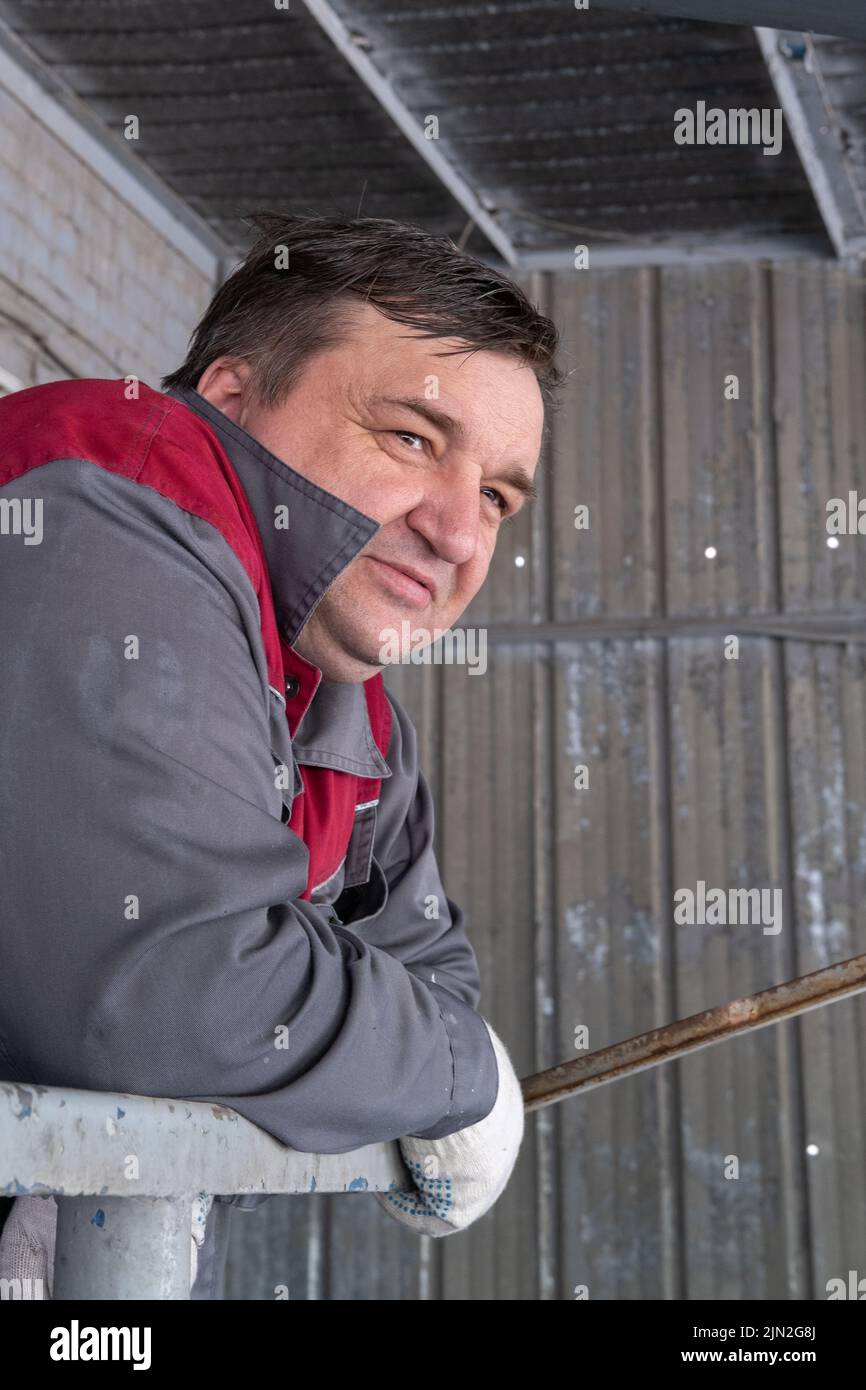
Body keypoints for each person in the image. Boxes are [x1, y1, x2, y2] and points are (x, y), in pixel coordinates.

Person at [0, 211, 561, 1298]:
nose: (458, 533)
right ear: (229, 397)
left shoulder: (349, 711)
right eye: (410, 438)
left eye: (495, 496)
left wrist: (413, 1048)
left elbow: (428, 973)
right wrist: (455, 1077)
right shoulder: (105, 493)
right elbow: (173, 989)